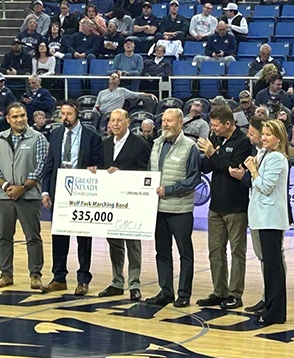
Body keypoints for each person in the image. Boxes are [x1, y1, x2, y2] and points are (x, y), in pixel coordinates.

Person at [41, 101, 104, 295]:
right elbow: (49, 163)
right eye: (62, 114)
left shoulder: (92, 136)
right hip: (59, 189)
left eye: (68, 113)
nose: (65, 117)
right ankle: (59, 277)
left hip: (82, 192)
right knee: (59, 235)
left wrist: (95, 169)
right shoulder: (56, 134)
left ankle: (83, 279)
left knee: (83, 238)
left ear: (77, 114)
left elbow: (99, 163)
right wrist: (45, 191)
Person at [196, 105, 253, 310]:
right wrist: (207, 154)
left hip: (236, 206)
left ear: (228, 124)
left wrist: (214, 154)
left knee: (237, 252)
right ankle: (219, 292)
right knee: (215, 251)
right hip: (216, 205)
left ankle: (235, 294)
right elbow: (207, 167)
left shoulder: (243, 142)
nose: (213, 128)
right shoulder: (217, 139)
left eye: (216, 125)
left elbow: (232, 169)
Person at [0, 102, 49, 289]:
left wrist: (23, 187)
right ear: (8, 119)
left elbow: (41, 167)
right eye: (15, 116)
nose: (19, 119)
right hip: (4, 196)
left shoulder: (38, 138)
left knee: (33, 237)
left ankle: (35, 275)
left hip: (29, 196)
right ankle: (6, 274)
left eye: (22, 115)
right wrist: (7, 186)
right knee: (4, 237)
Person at [145, 108, 201, 307]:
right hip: (158, 209)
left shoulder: (190, 147)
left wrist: (169, 190)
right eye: (163, 121)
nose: (165, 124)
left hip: (180, 210)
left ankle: (184, 293)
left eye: (169, 121)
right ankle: (165, 291)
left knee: (185, 253)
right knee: (162, 251)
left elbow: (194, 179)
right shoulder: (156, 144)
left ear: (180, 123)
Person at [95, 109, 151, 301]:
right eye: (112, 120)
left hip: (132, 202)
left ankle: (134, 283)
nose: (115, 124)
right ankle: (117, 281)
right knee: (114, 243)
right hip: (111, 202)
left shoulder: (140, 144)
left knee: (133, 244)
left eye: (119, 120)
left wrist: (123, 173)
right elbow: (101, 168)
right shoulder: (104, 144)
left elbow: (145, 172)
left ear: (128, 122)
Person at [243, 119, 290, 324]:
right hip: (261, 217)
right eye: (262, 134)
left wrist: (253, 170)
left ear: (278, 139)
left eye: (268, 135)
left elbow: (265, 186)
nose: (263, 138)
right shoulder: (265, 155)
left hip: (271, 218)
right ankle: (270, 307)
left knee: (273, 266)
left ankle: (276, 312)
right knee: (270, 266)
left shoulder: (277, 158)